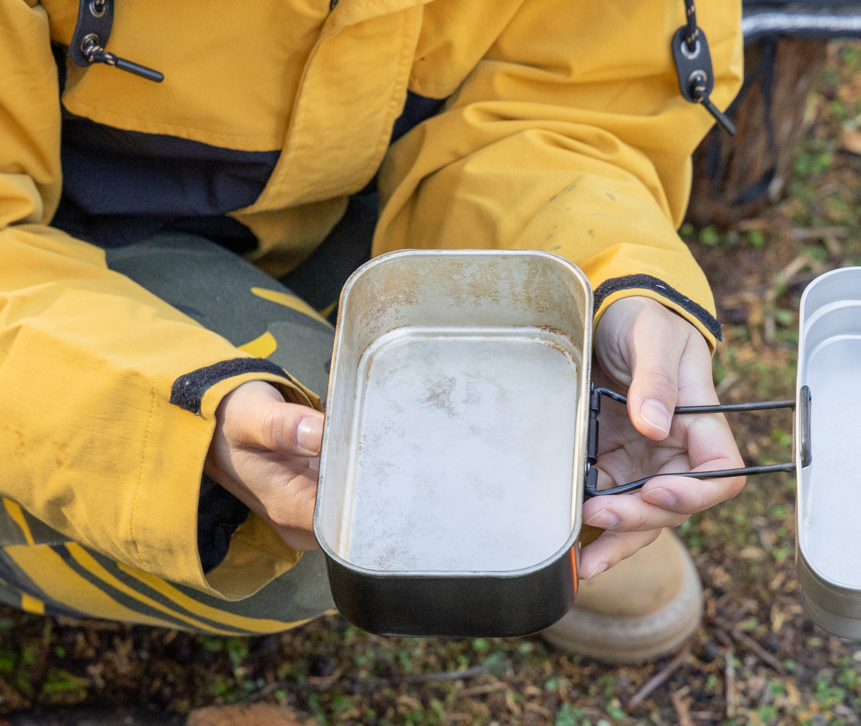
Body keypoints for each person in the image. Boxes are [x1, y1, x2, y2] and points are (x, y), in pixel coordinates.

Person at [0, 0, 745, 663]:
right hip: (49, 241)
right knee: (328, 534)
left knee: (452, 461)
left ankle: (541, 519)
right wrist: (184, 423)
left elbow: (562, 107)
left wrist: (598, 292)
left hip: (322, 184)